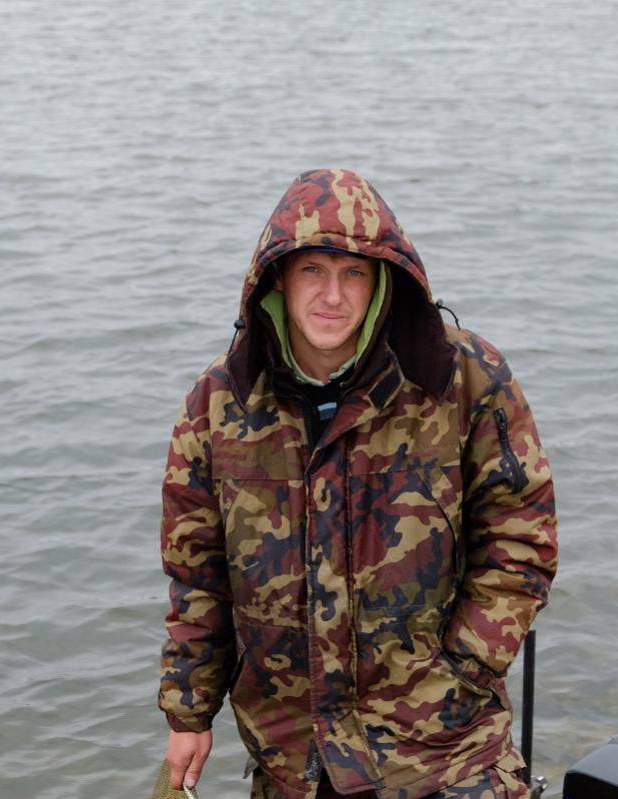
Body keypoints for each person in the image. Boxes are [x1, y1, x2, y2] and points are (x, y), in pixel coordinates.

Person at [158, 168, 558, 799]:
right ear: (278, 279)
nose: (332, 295)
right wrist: (189, 712)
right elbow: (197, 576)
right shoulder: (217, 404)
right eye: (312, 270)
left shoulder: (466, 378)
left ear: (383, 283)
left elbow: (521, 540)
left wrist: (465, 671)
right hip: (295, 759)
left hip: (446, 751)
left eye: (353, 273)